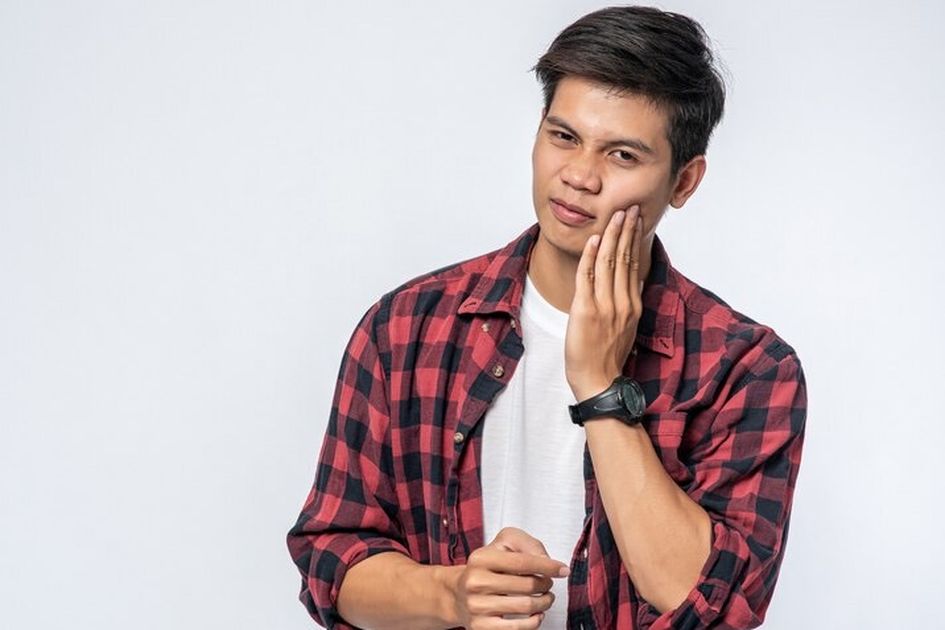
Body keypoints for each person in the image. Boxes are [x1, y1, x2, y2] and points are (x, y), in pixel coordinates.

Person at [286, 6, 807, 629]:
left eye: (622, 155)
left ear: (684, 182)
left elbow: (709, 606)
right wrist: (452, 595)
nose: (579, 176)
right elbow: (330, 560)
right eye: (563, 137)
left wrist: (600, 386)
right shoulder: (406, 327)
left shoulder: (747, 370)